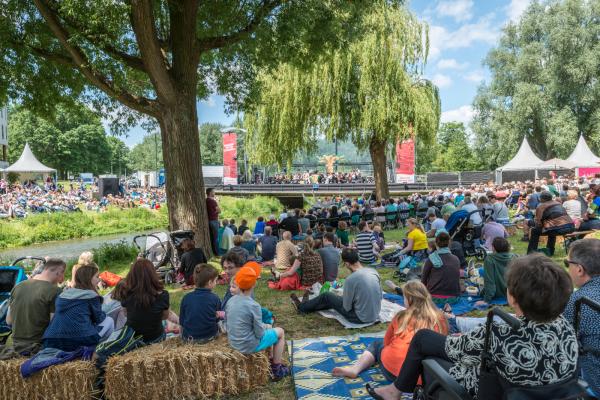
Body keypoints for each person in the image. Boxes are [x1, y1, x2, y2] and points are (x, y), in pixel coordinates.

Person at [369, 254, 578, 400]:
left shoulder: (499, 332)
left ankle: (394, 391)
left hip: (493, 391)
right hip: (550, 392)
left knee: (423, 339)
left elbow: (457, 349)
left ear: (513, 297)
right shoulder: (566, 327)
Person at [332, 281, 448, 381]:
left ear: (409, 299)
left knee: (377, 344)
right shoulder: (440, 318)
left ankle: (355, 369)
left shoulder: (401, 316)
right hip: (424, 377)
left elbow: (387, 342)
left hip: (394, 372)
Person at [226, 266, 290, 380]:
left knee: (269, 330)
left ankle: (270, 358)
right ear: (253, 284)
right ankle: (276, 370)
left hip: (233, 343)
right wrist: (267, 327)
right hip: (248, 345)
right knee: (280, 332)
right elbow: (259, 334)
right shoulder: (253, 305)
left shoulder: (230, 301)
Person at [291, 248, 381, 325]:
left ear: (347, 264)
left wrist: (343, 297)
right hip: (375, 314)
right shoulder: (373, 272)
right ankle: (308, 306)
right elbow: (379, 296)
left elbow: (346, 307)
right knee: (331, 300)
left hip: (359, 318)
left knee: (327, 296)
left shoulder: (351, 279)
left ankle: (302, 307)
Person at [1, 258, 66, 359]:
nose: (62, 278)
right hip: (38, 346)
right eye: (63, 274)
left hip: (16, 345)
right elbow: (55, 326)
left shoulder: (18, 286)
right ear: (58, 272)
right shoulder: (55, 291)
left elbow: (8, 321)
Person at [42, 263, 114, 351]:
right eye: (96, 277)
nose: (99, 280)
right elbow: (99, 318)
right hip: (79, 340)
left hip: (51, 339)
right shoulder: (91, 295)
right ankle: (100, 350)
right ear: (89, 279)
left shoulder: (63, 294)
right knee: (109, 320)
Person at [563, 239, 600, 396]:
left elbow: (563, 344)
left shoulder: (576, 302)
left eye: (567, 263)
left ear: (579, 269)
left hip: (595, 382)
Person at [118, 259, 171, 343]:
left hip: (132, 339)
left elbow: (125, 314)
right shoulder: (163, 295)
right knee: (166, 322)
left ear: (132, 275)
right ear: (153, 274)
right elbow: (165, 316)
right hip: (155, 338)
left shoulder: (126, 293)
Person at [180, 264, 221, 343]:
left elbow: (182, 321)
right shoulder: (215, 298)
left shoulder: (186, 298)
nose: (216, 282)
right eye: (216, 280)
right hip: (209, 337)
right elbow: (218, 317)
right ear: (210, 282)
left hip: (189, 338)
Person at [527, 191, 574, 256]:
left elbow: (538, 223)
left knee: (535, 231)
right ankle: (550, 251)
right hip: (571, 226)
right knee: (551, 228)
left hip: (558, 228)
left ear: (541, 199)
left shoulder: (541, 206)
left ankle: (531, 252)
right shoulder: (558, 203)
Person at [475, 237, 515, 308]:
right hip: (511, 292)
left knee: (480, 270)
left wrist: (486, 300)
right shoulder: (514, 257)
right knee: (481, 270)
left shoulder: (490, 259)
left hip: (498, 293)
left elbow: (490, 282)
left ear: (493, 247)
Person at [421, 232, 461, 304]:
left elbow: (423, 281)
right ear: (449, 243)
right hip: (454, 299)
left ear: (436, 243)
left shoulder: (431, 258)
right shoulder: (456, 259)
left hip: (434, 298)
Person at [206, 188, 221, 255]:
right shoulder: (213, 201)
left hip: (209, 221)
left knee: (212, 237)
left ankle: (213, 251)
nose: (214, 193)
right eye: (213, 192)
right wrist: (217, 202)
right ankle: (217, 253)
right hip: (214, 221)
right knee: (216, 238)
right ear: (210, 193)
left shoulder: (205, 200)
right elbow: (219, 211)